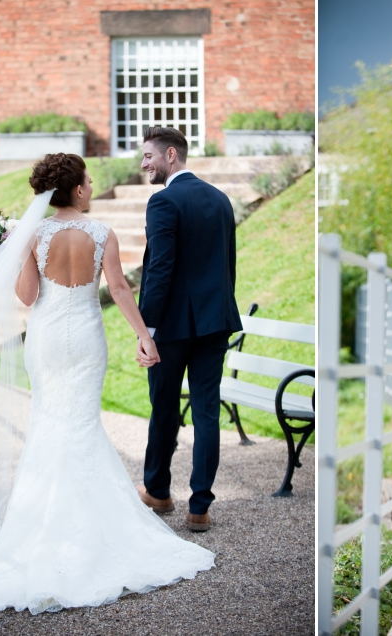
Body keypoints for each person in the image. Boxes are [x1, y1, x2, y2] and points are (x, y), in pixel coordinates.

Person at [0, 153, 215, 614]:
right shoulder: (102, 233)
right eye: (87, 180)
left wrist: (12, 256)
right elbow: (120, 289)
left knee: (48, 424)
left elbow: (27, 297)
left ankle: (38, 534)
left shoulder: (33, 235)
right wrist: (145, 337)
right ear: (79, 189)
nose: (89, 185)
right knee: (81, 424)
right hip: (85, 338)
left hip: (44, 339)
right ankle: (94, 533)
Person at [134, 127, 242, 532]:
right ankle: (200, 507)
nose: (145, 164)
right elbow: (227, 263)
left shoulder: (163, 202)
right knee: (207, 412)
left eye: (148, 156)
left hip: (173, 327)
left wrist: (148, 328)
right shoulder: (220, 199)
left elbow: (159, 269)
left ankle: (158, 492)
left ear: (171, 155)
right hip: (215, 323)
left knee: (163, 408)